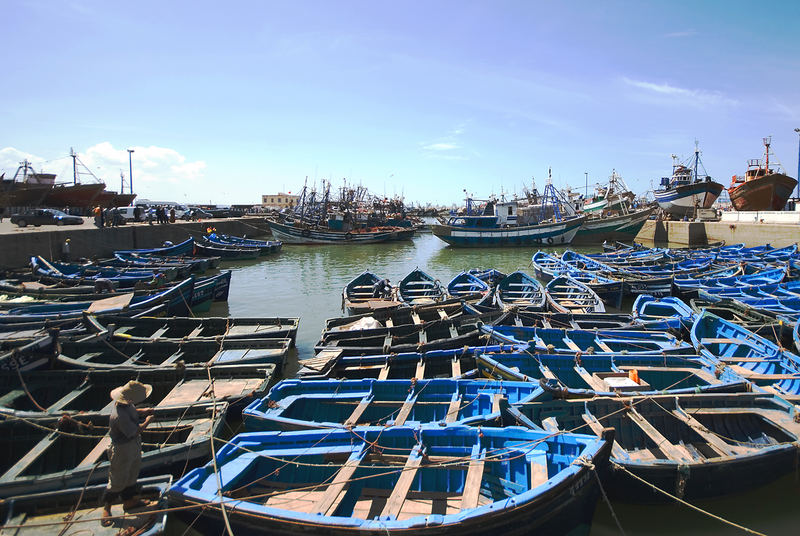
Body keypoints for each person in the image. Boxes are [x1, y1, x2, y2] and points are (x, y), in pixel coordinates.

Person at [101, 380, 156, 526]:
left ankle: (129, 501)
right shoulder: (119, 416)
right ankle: (106, 508)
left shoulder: (126, 404)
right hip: (122, 449)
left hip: (133, 445)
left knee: (132, 473)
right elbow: (134, 431)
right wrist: (147, 421)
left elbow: (133, 410)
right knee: (118, 479)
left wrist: (143, 412)